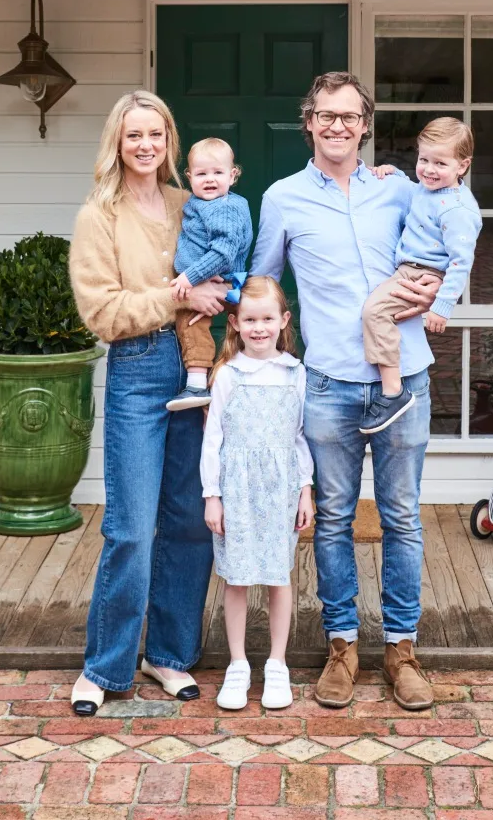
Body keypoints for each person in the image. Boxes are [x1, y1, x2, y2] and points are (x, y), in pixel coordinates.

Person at [252, 71, 440, 712]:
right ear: (309, 121)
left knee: (402, 519)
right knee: (332, 519)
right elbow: (264, 288)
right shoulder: (281, 198)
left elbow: (446, 243)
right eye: (326, 116)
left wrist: (441, 293)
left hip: (404, 380)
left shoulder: (402, 192)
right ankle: (341, 648)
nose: (337, 126)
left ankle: (402, 651)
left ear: (366, 125)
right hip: (327, 384)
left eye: (349, 117)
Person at [67, 89, 228, 715]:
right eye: (134, 135)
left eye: (155, 135)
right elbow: (102, 312)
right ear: (117, 141)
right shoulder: (98, 216)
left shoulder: (191, 204)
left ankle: (168, 655)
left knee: (188, 522)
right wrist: (179, 298)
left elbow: (232, 256)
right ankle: (105, 666)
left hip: (196, 367)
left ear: (169, 142)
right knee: (132, 527)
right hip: (137, 368)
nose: (145, 146)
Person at [200, 276, 315, 712]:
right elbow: (213, 439)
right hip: (238, 488)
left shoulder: (294, 372)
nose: (259, 327)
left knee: (278, 574)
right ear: (235, 323)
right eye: (250, 319)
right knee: (237, 575)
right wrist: (213, 495)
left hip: (280, 487)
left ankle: (277, 664)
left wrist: (305, 490)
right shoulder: (228, 375)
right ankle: (237, 665)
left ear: (284, 320)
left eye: (268, 318)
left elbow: (301, 436)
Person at [360, 117, 482, 436]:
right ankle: (392, 386)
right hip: (410, 268)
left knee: (374, 313)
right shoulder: (431, 190)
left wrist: (442, 305)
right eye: (423, 159)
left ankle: (392, 391)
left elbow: (460, 262)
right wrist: (394, 172)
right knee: (377, 312)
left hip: (420, 274)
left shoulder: (458, 211)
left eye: (439, 162)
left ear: (462, 165)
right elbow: (417, 193)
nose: (428, 169)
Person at [167, 137, 254, 412]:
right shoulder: (203, 203)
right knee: (228, 324)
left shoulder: (223, 207)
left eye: (218, 173)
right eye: (202, 174)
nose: (210, 180)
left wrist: (189, 278)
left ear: (233, 175)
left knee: (190, 320)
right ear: (189, 177)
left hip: (223, 280)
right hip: (221, 279)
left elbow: (223, 253)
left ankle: (196, 383)